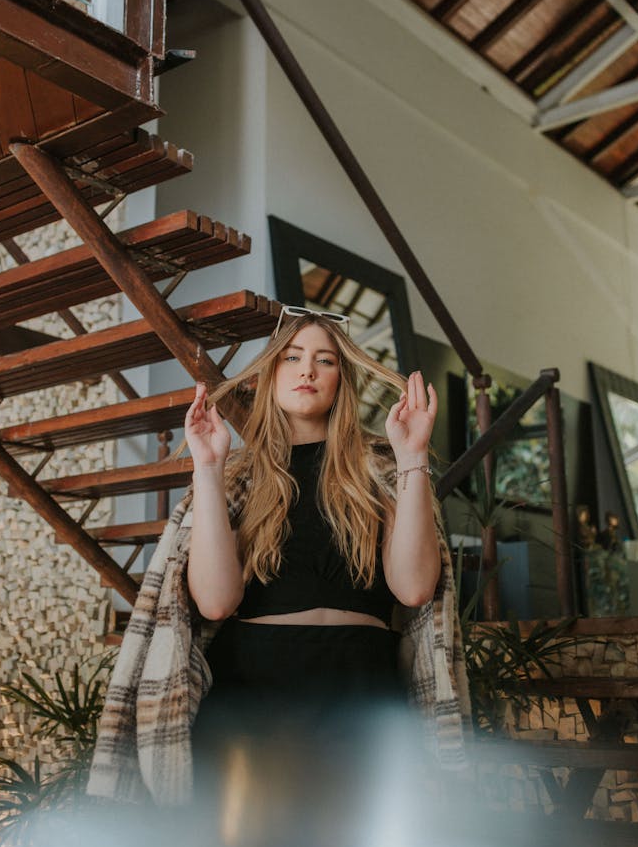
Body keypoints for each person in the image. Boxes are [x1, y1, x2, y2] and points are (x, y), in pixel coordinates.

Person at [87, 306, 469, 808]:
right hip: (253, 697)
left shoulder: (380, 469)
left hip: (362, 692)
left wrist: (414, 455)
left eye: (325, 360)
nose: (307, 370)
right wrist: (206, 466)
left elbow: (416, 588)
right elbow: (216, 603)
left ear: (342, 380)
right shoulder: (239, 480)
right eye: (292, 357)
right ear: (271, 374)